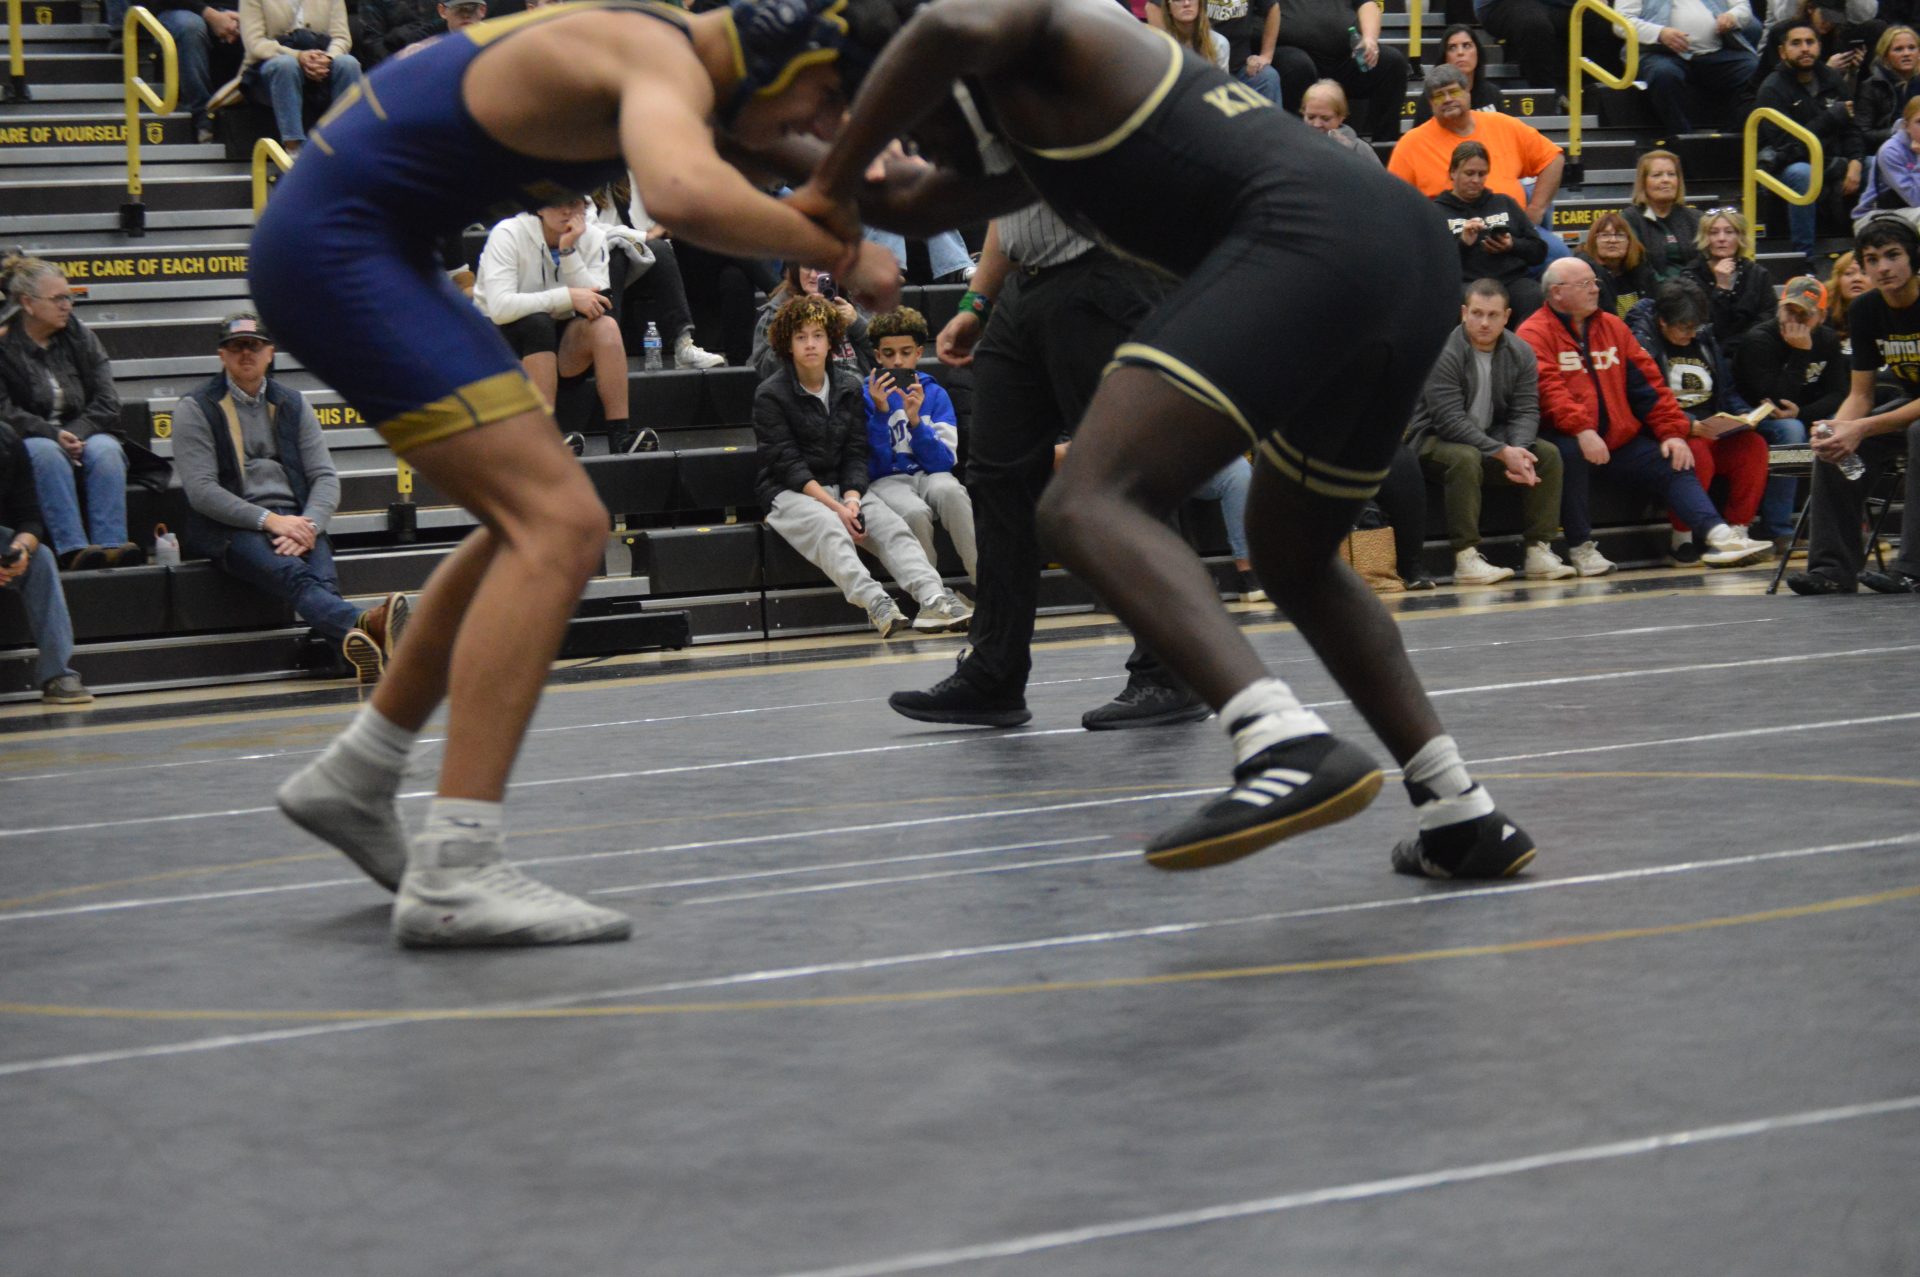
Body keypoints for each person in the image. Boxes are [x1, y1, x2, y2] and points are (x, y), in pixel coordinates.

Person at [801, 0, 1539, 879]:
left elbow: (941, 35)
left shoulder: (1061, 29)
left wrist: (832, 169)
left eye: (913, 120)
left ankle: (1279, 737)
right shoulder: (1034, 129)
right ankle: (1460, 809)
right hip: (1399, 250)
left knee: (1086, 500)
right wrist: (764, 157)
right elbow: (913, 198)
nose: (915, 143)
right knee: (1292, 553)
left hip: (1308, 237)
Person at [256, 0, 905, 948]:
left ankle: (358, 774)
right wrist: (839, 248)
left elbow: (777, 152)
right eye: (823, 102)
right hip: (343, 251)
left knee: (526, 520)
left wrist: (882, 178)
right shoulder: (658, 56)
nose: (818, 127)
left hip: (362, 242)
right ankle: (457, 867)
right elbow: (682, 193)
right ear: (790, 62)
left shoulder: (675, 54)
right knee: (562, 523)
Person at [884, 209, 1210, 731]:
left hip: (1102, 275)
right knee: (996, 478)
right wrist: (977, 301)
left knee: (1123, 479)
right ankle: (994, 672)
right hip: (1022, 288)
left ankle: (1170, 670)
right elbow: (1007, 205)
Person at [171, 314, 410, 679]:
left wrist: (308, 525)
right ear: (222, 355)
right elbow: (202, 492)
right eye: (236, 346)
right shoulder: (195, 407)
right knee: (298, 577)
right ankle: (368, 624)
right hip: (232, 527)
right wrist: (270, 521)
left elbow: (324, 477)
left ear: (270, 352)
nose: (246, 353)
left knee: (320, 584)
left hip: (298, 519)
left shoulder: (294, 404)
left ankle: (352, 655)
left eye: (254, 346)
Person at [1519, 257, 1776, 575]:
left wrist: (1671, 432)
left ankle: (1720, 537)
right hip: (1567, 435)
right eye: (1585, 284)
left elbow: (1649, 384)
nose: (1595, 289)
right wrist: (1582, 429)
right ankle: (1581, 548)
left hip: (1618, 438)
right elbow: (1549, 390)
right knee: (1567, 454)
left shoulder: (1613, 326)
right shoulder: (1534, 332)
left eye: (1595, 282)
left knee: (1676, 459)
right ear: (1557, 292)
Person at [755, 295, 972, 634]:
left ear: (831, 342)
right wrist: (838, 508)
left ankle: (934, 600)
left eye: (817, 335)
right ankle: (877, 602)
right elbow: (788, 465)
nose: (810, 344)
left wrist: (853, 499)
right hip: (791, 492)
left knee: (892, 527)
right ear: (787, 343)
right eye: (801, 336)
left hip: (845, 486)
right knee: (829, 527)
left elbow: (856, 452)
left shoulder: (848, 386)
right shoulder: (770, 394)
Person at [1785, 217, 1920, 593]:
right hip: (1911, 405)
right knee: (1834, 443)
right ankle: (1831, 570)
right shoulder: (1865, 310)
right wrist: (1838, 430)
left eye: (1893, 255)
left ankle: (1912, 569)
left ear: (1914, 258)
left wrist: (1860, 428)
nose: (1883, 268)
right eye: (1872, 260)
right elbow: (1861, 395)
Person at [1410, 278, 1576, 583]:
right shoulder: (1443, 351)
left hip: (1490, 438)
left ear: (1507, 316)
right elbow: (1448, 421)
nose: (1484, 322)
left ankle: (1539, 550)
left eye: (1492, 315)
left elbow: (1525, 409)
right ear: (1464, 313)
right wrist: (1502, 452)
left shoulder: (1520, 351)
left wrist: (1520, 450)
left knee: (1547, 454)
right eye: (1477, 313)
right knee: (1465, 457)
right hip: (1432, 439)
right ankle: (1466, 557)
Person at [0, 256, 141, 572]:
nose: (67, 305)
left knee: (107, 450)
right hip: (28, 438)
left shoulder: (81, 337)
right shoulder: (5, 344)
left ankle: (112, 547)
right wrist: (53, 434)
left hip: (84, 430)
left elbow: (107, 400)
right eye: (58, 298)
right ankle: (73, 550)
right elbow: (3, 410)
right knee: (46, 452)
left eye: (69, 297)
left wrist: (76, 433)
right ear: (28, 303)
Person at [473, 194, 636, 454]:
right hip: (499, 342)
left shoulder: (593, 238)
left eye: (573, 203)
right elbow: (500, 309)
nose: (566, 211)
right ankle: (543, 442)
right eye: (556, 203)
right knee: (537, 323)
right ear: (538, 207)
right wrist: (567, 297)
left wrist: (568, 252)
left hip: (560, 343)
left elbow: (598, 302)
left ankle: (620, 437)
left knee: (605, 326)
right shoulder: (508, 234)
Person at [1627, 278, 1772, 562]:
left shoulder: (1703, 338)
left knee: (1753, 446)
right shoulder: (1643, 344)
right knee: (1695, 453)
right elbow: (1646, 400)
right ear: (1663, 321)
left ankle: (1738, 532)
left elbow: (1725, 390)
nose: (1692, 334)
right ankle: (1681, 538)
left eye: (1696, 326)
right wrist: (1688, 423)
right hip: (1675, 431)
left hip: (1714, 426)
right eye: (1685, 328)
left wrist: (1744, 414)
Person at [1390, 65, 1566, 251]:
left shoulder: (1502, 125)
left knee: (1561, 255)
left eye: (1453, 92)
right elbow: (1394, 202)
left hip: (1510, 233)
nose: (1448, 99)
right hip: (1451, 240)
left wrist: (1536, 209)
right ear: (1431, 103)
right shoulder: (1411, 144)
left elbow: (1553, 159)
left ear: (1468, 92)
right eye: (1439, 95)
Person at [860, 306, 977, 579]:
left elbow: (944, 463)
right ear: (877, 356)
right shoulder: (864, 397)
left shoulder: (935, 394)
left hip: (929, 475)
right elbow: (872, 467)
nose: (898, 361)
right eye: (889, 353)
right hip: (886, 480)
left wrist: (916, 423)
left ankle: (984, 582)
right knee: (914, 512)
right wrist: (880, 414)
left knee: (952, 492)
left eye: (906, 352)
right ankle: (932, 592)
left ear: (919, 353)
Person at [1733, 274, 1845, 547]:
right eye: (1789, 311)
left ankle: (1842, 522)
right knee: (1791, 431)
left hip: (1801, 410)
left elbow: (1839, 393)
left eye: (1803, 314)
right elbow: (1776, 400)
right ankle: (1778, 527)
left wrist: (1803, 413)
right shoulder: (1760, 339)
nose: (1794, 320)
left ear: (1821, 316)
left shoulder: (1828, 340)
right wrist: (1801, 352)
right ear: (1779, 308)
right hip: (1754, 411)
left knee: (1840, 425)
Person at [1756, 19, 1865, 269]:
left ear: (1819, 46)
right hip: (1785, 166)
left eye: (1810, 42)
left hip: (1831, 160)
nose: (1805, 48)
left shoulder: (1832, 79)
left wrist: (1856, 162)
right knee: (1803, 174)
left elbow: (1852, 128)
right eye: (1796, 43)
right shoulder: (1771, 89)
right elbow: (1786, 147)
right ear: (1783, 52)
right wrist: (1829, 119)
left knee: (1875, 164)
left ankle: (1868, 251)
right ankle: (1804, 261)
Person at [0, 425, 92, 704]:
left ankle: (57, 674)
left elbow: (30, 518)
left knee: (40, 558)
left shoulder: (7, 440)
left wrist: (21, 550)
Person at [1267, 0, 1411, 144]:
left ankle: (1385, 146)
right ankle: (1298, 145)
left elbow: (1368, 4)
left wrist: (1369, 39)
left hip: (1345, 57)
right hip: (1296, 55)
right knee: (1297, 65)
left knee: (1392, 62)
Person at [1433, 141, 1546, 320]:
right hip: (1467, 283)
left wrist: (1512, 245)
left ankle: (1523, 340)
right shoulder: (1437, 211)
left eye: (1482, 174)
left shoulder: (1505, 203)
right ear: (1453, 172)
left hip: (1511, 281)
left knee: (1534, 295)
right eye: (1469, 173)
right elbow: (1434, 266)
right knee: (1462, 302)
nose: (1476, 180)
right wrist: (1463, 243)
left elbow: (1539, 252)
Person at [1616, 0, 1758, 136]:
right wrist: (1660, 33)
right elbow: (1621, 23)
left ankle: (1729, 137)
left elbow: (1743, 8)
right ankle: (1682, 138)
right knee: (1664, 73)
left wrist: (1733, 17)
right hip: (1658, 52)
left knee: (1754, 70)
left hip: (1715, 51)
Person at [238, 0, 363, 150]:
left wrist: (328, 58)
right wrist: (298, 56)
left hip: (321, 58)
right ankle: (293, 148)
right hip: (270, 61)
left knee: (348, 63)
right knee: (286, 65)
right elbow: (255, 44)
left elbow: (341, 38)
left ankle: (345, 146)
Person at [750, 260, 874, 379]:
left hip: (856, 387)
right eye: (807, 266)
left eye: (821, 268)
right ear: (797, 269)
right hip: (802, 389)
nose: (813, 275)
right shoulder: (778, 309)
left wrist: (857, 324)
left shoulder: (854, 300)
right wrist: (794, 324)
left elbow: (880, 356)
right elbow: (764, 366)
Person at [1145, 0, 1283, 101]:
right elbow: (1152, 6)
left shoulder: (1220, 42)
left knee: (1268, 77)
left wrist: (1266, 55)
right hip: (1200, 65)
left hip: (1242, 68)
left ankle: (1268, 133)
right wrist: (1167, 48)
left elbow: (1273, 7)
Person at [154, 0, 242, 143]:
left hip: (231, 10)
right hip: (175, 8)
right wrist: (210, 14)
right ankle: (204, 120)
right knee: (190, 27)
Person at [1688, 206, 1776, 340]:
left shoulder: (1758, 274)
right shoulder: (1691, 276)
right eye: (1713, 233)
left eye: (1729, 232)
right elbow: (1702, 326)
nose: (1721, 238)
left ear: (1740, 236)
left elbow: (1767, 319)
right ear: (1705, 238)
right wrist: (1721, 288)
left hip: (1750, 346)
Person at [1623, 149, 1703, 281]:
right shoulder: (1630, 219)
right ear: (1643, 182)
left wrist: (1688, 284)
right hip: (1650, 289)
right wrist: (1663, 286)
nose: (1666, 180)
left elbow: (1704, 261)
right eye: (1657, 175)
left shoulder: (1696, 218)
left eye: (1671, 174)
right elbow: (1636, 264)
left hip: (1693, 288)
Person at [1852, 96, 1920, 231]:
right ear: (1906, 126)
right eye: (1919, 122)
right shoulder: (1890, 151)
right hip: (1873, 217)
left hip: (1906, 212)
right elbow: (1916, 199)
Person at [1411, 24, 1499, 125]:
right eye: (1452, 48)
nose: (1460, 52)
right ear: (1445, 57)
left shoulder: (1492, 93)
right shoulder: (1432, 98)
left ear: (1477, 52)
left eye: (1466, 46)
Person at [1579, 210, 1659, 318]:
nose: (1613, 240)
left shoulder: (1642, 269)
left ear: (1629, 241)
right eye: (1605, 235)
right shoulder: (1585, 274)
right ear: (1593, 241)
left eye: (1619, 235)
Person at [1855, 24, 1920, 149]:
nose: (1906, 53)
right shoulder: (1872, 86)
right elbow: (1863, 133)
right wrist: (1898, 133)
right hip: (1884, 150)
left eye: (1911, 48)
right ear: (1885, 57)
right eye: (1898, 49)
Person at [1299, 79, 1380, 164]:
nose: (1316, 124)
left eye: (1325, 118)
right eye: (1311, 117)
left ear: (1341, 118)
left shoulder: (1359, 149)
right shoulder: (1293, 145)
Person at [1826, 247, 1871, 352]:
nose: (1857, 279)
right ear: (1837, 281)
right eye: (1848, 273)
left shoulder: (1888, 315)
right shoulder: (1824, 317)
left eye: (1864, 273)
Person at [1160, 0, 1229, 68]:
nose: (1186, 3)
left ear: (1199, 4)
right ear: (1168, 7)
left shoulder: (1218, 44)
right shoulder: (1160, 44)